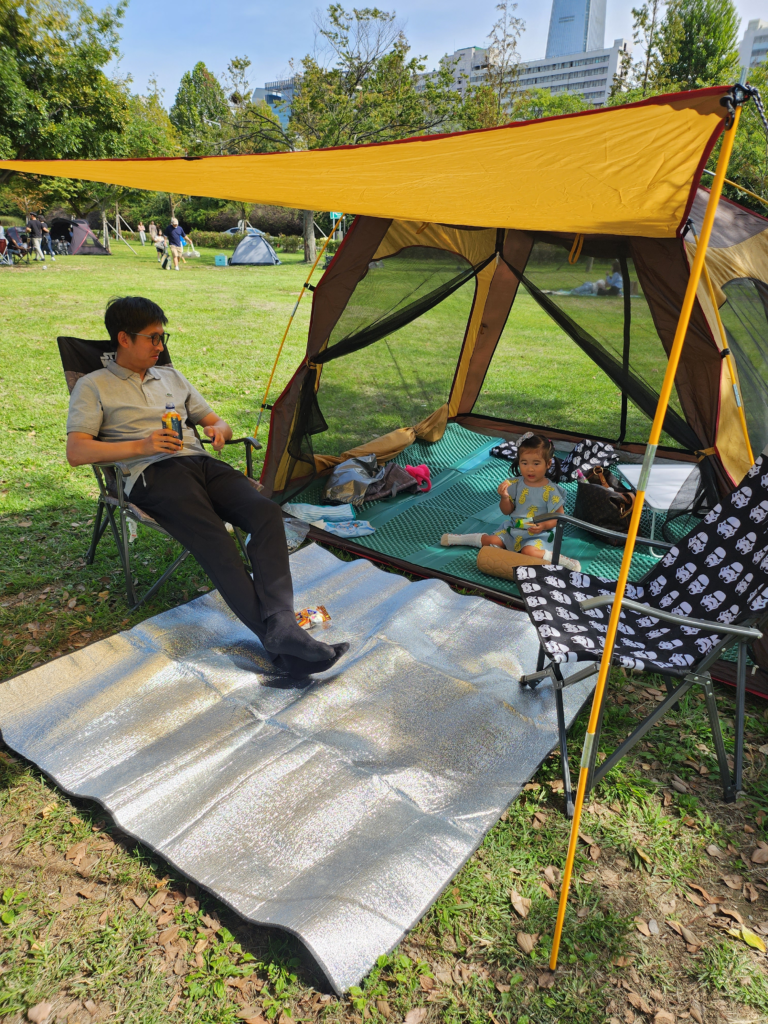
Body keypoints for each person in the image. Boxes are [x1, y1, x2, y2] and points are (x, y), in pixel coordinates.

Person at [65, 296, 348, 678]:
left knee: (265, 512)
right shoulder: (92, 385)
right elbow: (77, 450)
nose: (160, 346)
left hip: (203, 464)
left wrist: (218, 430)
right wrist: (142, 445)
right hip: (152, 473)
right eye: (152, 338)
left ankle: (282, 627)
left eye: (162, 337)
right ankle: (283, 641)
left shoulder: (171, 376)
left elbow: (217, 421)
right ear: (123, 338)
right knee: (215, 538)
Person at [440, 433, 581, 570]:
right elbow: (507, 511)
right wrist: (504, 497)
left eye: (536, 463)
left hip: (539, 533)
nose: (529, 468)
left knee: (529, 552)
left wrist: (543, 526)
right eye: (524, 462)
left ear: (548, 463)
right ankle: (459, 539)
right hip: (514, 528)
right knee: (492, 541)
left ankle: (561, 559)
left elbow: (559, 518)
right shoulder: (514, 484)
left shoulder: (551, 490)